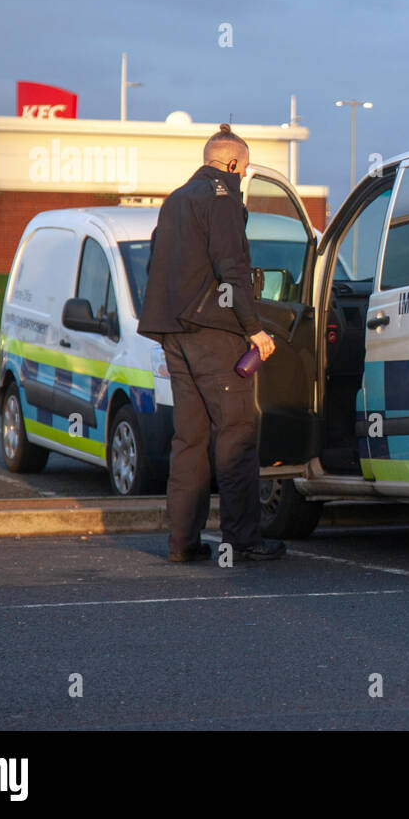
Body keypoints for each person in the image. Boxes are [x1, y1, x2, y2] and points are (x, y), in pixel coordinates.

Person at [138, 123, 286, 563]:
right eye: (243, 168)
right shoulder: (224, 200)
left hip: (173, 334)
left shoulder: (175, 200)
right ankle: (244, 539)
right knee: (237, 433)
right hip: (214, 336)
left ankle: (182, 543)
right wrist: (254, 329)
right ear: (234, 163)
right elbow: (232, 269)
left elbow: (158, 264)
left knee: (189, 438)